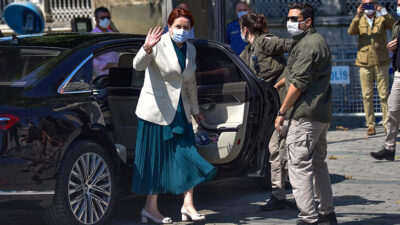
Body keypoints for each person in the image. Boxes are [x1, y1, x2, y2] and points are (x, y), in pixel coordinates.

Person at [131, 8, 216, 224]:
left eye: (186, 27)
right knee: (156, 160)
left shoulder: (190, 49)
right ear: (169, 26)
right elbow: (137, 65)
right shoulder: (157, 43)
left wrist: (196, 111)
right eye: (178, 26)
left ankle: (188, 204)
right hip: (156, 111)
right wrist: (146, 48)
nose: (182, 31)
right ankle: (150, 208)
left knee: (188, 154)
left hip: (181, 111)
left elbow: (190, 83)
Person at [274, 3, 337, 225]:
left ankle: (309, 218)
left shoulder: (309, 44)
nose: (289, 22)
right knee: (318, 163)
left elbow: (299, 84)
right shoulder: (310, 41)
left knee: (299, 166)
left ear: (307, 21)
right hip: (319, 114)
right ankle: (327, 213)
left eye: (294, 18)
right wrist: (280, 82)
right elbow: (298, 75)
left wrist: (281, 112)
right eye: (288, 18)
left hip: (304, 115)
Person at [238, 12, 297, 211]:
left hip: (286, 105)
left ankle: (299, 197)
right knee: (276, 152)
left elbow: (298, 49)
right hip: (270, 110)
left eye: (241, 28)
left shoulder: (266, 42)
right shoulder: (248, 51)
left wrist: (285, 79)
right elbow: (236, 69)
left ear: (245, 29)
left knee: (291, 152)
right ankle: (279, 195)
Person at [348, 0, 395, 136]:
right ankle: (370, 124)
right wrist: (357, 15)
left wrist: (384, 12)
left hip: (381, 61)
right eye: (365, 4)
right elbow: (351, 31)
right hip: (364, 62)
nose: (368, 6)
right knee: (367, 96)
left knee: (384, 95)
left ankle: (387, 124)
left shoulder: (381, 17)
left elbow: (393, 26)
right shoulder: (360, 19)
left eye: (371, 3)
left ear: (375, 4)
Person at [370, 0, 400, 161]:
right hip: (398, 72)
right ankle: (389, 148)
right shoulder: (398, 24)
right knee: (392, 108)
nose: (398, 6)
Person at [92, 7, 119, 76]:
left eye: (108, 17)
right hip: (103, 75)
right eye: (103, 18)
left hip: (116, 71)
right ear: (96, 19)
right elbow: (91, 57)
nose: (106, 20)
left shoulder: (111, 33)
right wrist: (106, 65)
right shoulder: (93, 36)